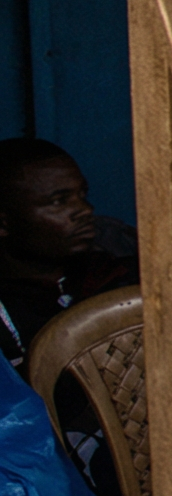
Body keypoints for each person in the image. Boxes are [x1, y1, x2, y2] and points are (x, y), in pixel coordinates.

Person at [0, 140, 137, 380]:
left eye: (82, 194)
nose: (84, 209)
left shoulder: (118, 265)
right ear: (3, 223)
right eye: (58, 201)